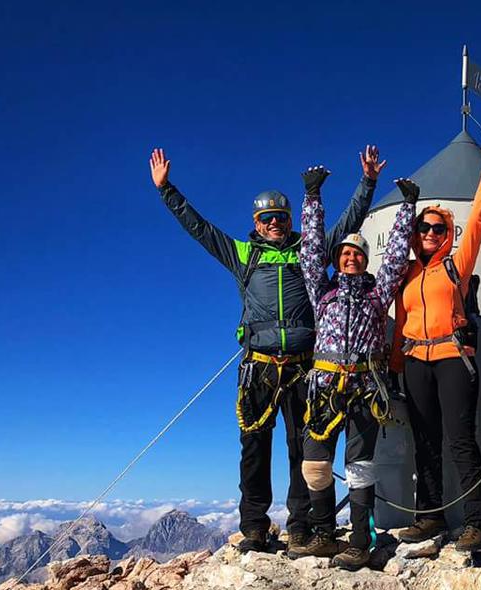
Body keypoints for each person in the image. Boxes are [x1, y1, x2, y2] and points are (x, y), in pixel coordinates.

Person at [150, 146, 385, 552]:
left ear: (291, 220)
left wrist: (367, 183)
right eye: (267, 219)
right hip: (259, 365)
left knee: (301, 447)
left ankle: (300, 526)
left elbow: (349, 222)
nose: (275, 224)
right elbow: (202, 230)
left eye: (281, 217)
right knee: (255, 448)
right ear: (256, 224)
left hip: (303, 367)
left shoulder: (308, 250)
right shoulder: (244, 253)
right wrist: (167, 190)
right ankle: (254, 526)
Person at [290, 163, 420, 570]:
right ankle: (325, 535)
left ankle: (360, 541)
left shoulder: (377, 296)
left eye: (357, 255)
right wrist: (312, 198)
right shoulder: (323, 292)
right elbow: (310, 252)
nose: (350, 259)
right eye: (345, 254)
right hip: (325, 385)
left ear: (365, 261)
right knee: (314, 463)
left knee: (360, 466)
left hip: (365, 386)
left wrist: (407, 207)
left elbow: (397, 257)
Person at [391, 145, 481, 552]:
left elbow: (477, 220)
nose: (429, 234)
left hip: (453, 358)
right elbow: (398, 323)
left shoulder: (454, 266)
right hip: (414, 360)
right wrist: (395, 368)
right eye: (423, 228)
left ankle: (478, 520)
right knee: (424, 442)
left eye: (437, 229)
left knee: (460, 440)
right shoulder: (405, 272)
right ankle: (429, 517)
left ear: (447, 235)